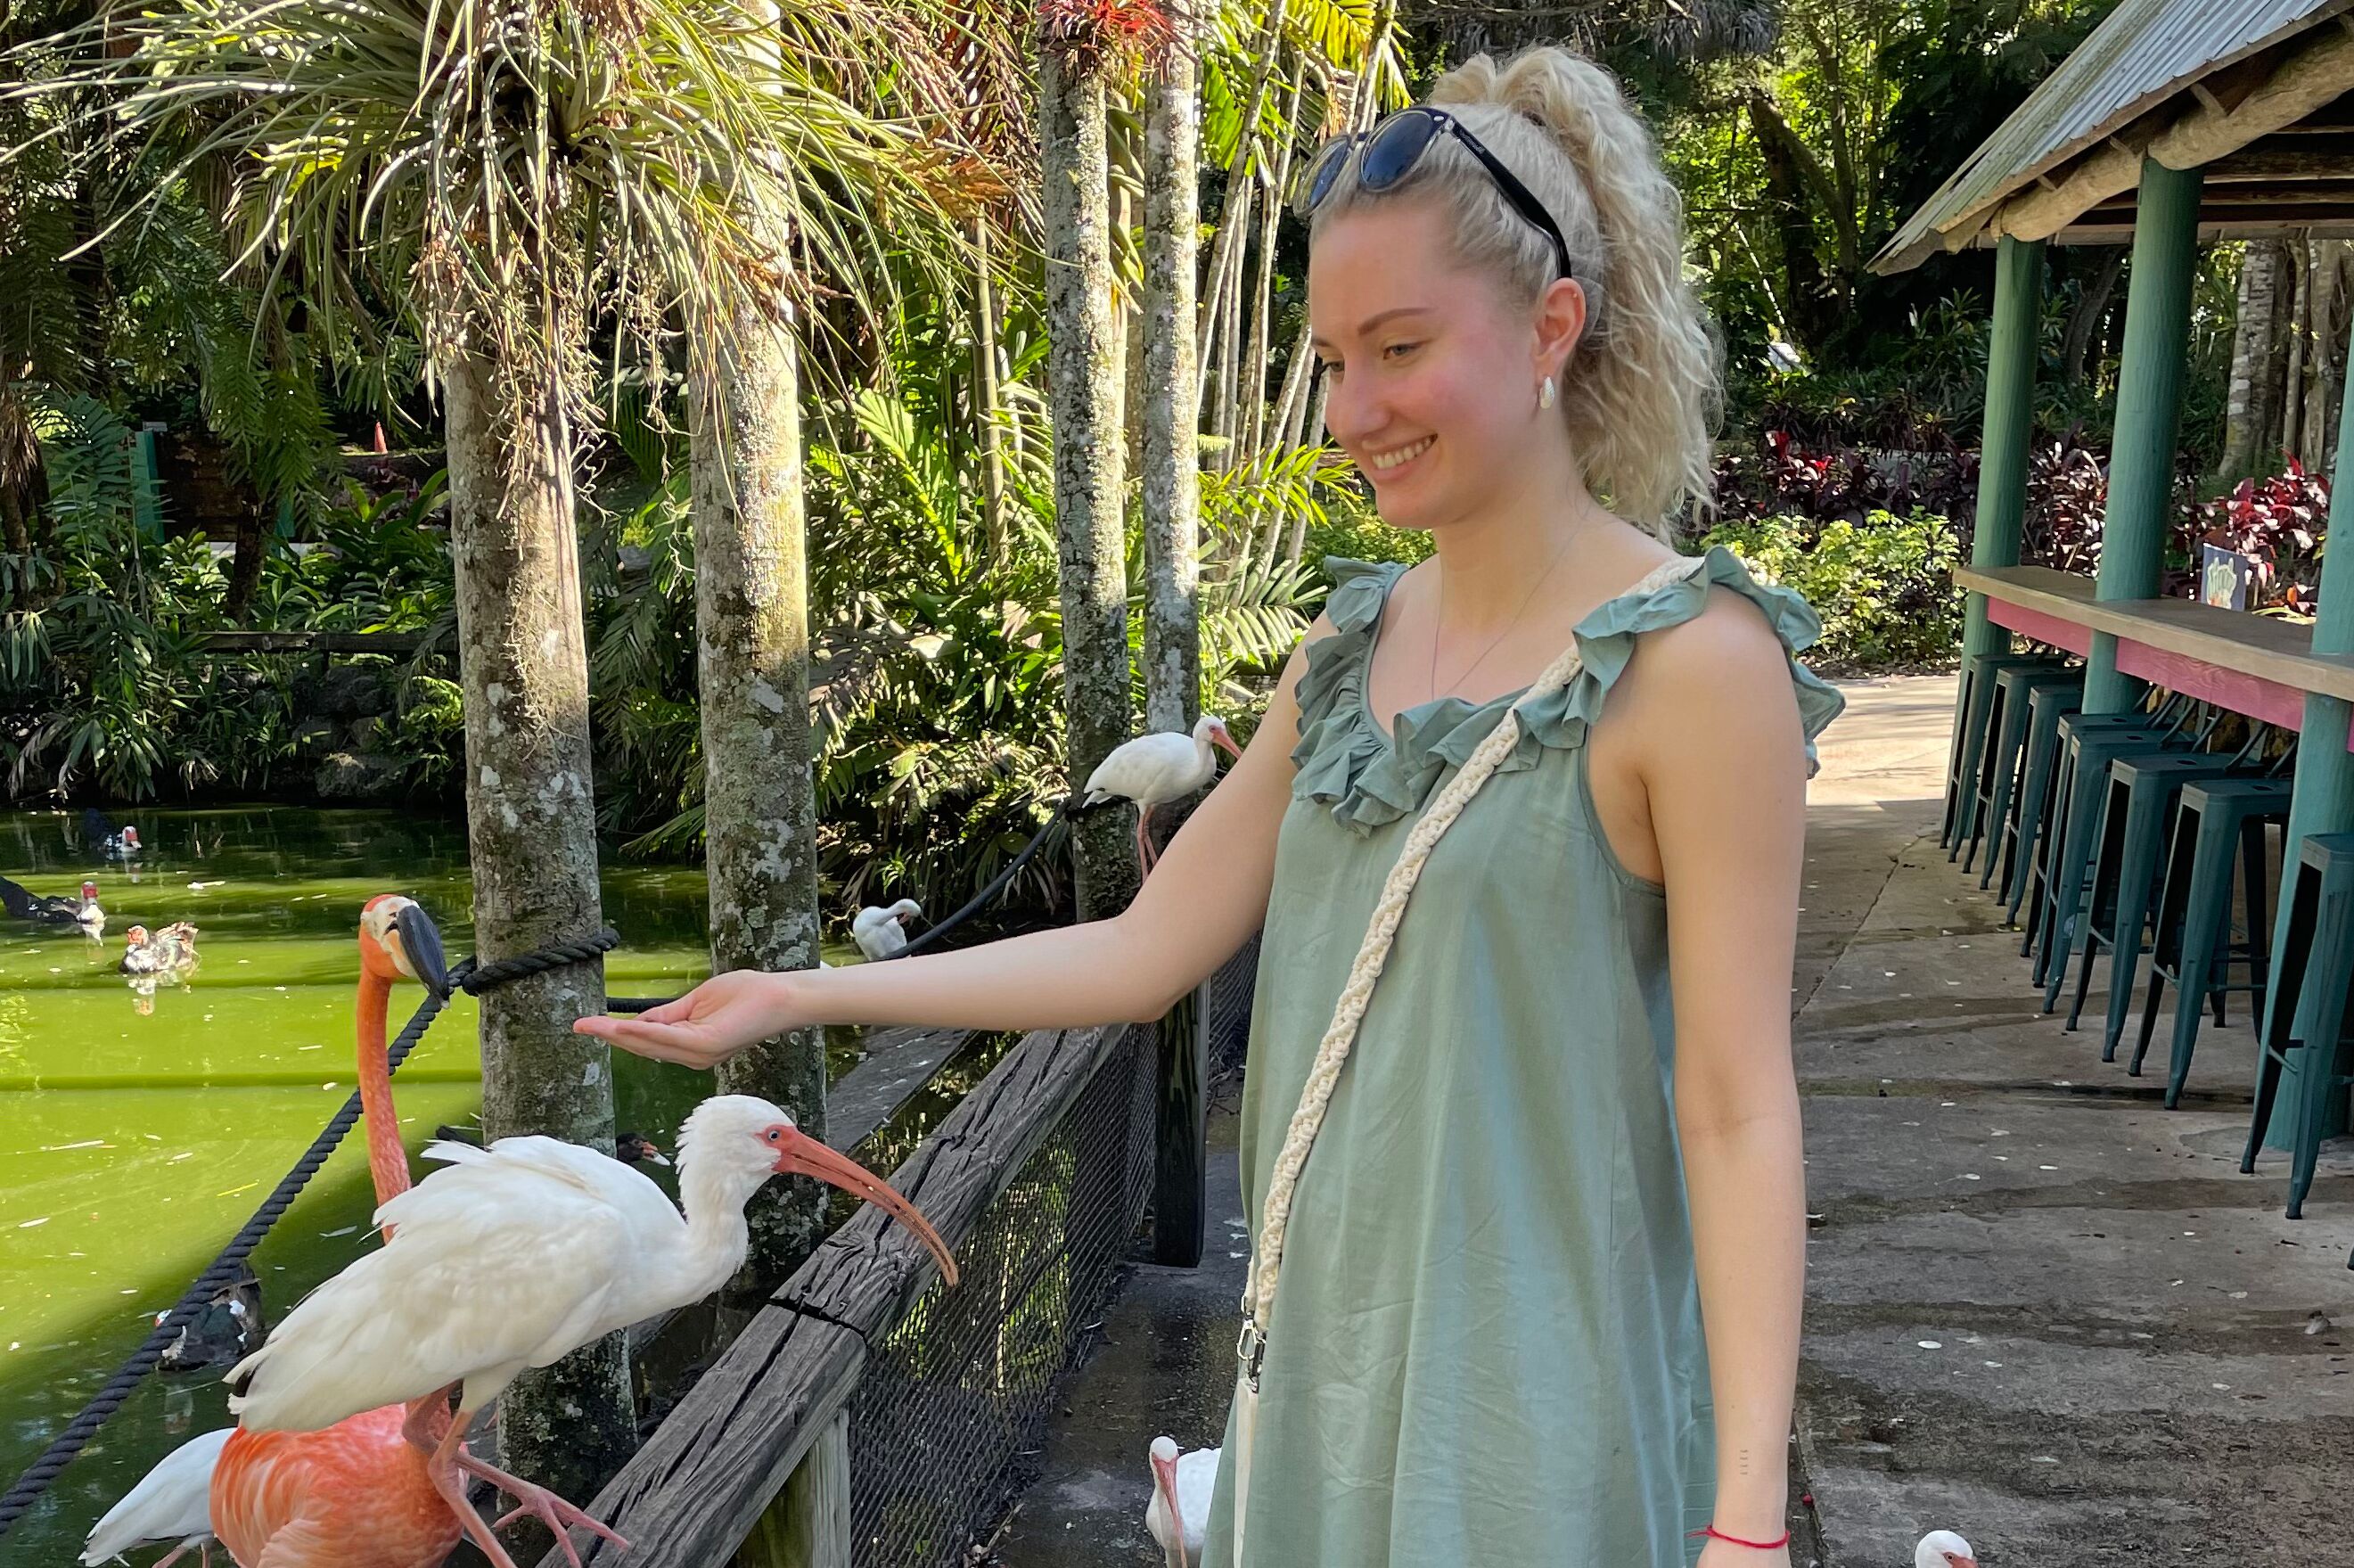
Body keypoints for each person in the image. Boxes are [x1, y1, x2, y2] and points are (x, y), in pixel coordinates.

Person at [578, 41, 1842, 1568]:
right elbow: (1141, 949)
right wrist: (792, 996)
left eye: (1396, 347)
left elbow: (1734, 1110)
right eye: (1328, 356)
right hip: (1318, 1375)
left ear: (1549, 328)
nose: (1347, 408)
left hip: (1536, 1422)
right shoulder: (1344, 650)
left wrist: (1749, 1526)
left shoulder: (1695, 669)